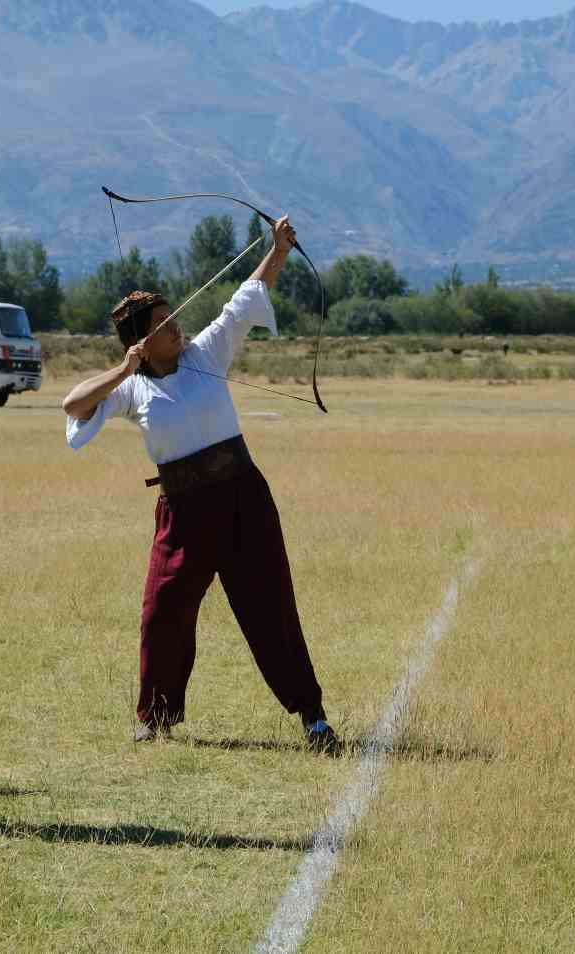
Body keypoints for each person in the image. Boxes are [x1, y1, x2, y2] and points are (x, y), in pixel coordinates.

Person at [61, 218, 338, 752]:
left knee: (269, 607)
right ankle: (155, 717)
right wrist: (124, 369)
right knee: (162, 611)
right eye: (163, 324)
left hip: (243, 499)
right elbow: (74, 404)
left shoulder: (206, 353)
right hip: (183, 511)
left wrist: (278, 249)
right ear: (140, 340)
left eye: (173, 319)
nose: (176, 328)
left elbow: (244, 298)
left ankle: (313, 716)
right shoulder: (130, 389)